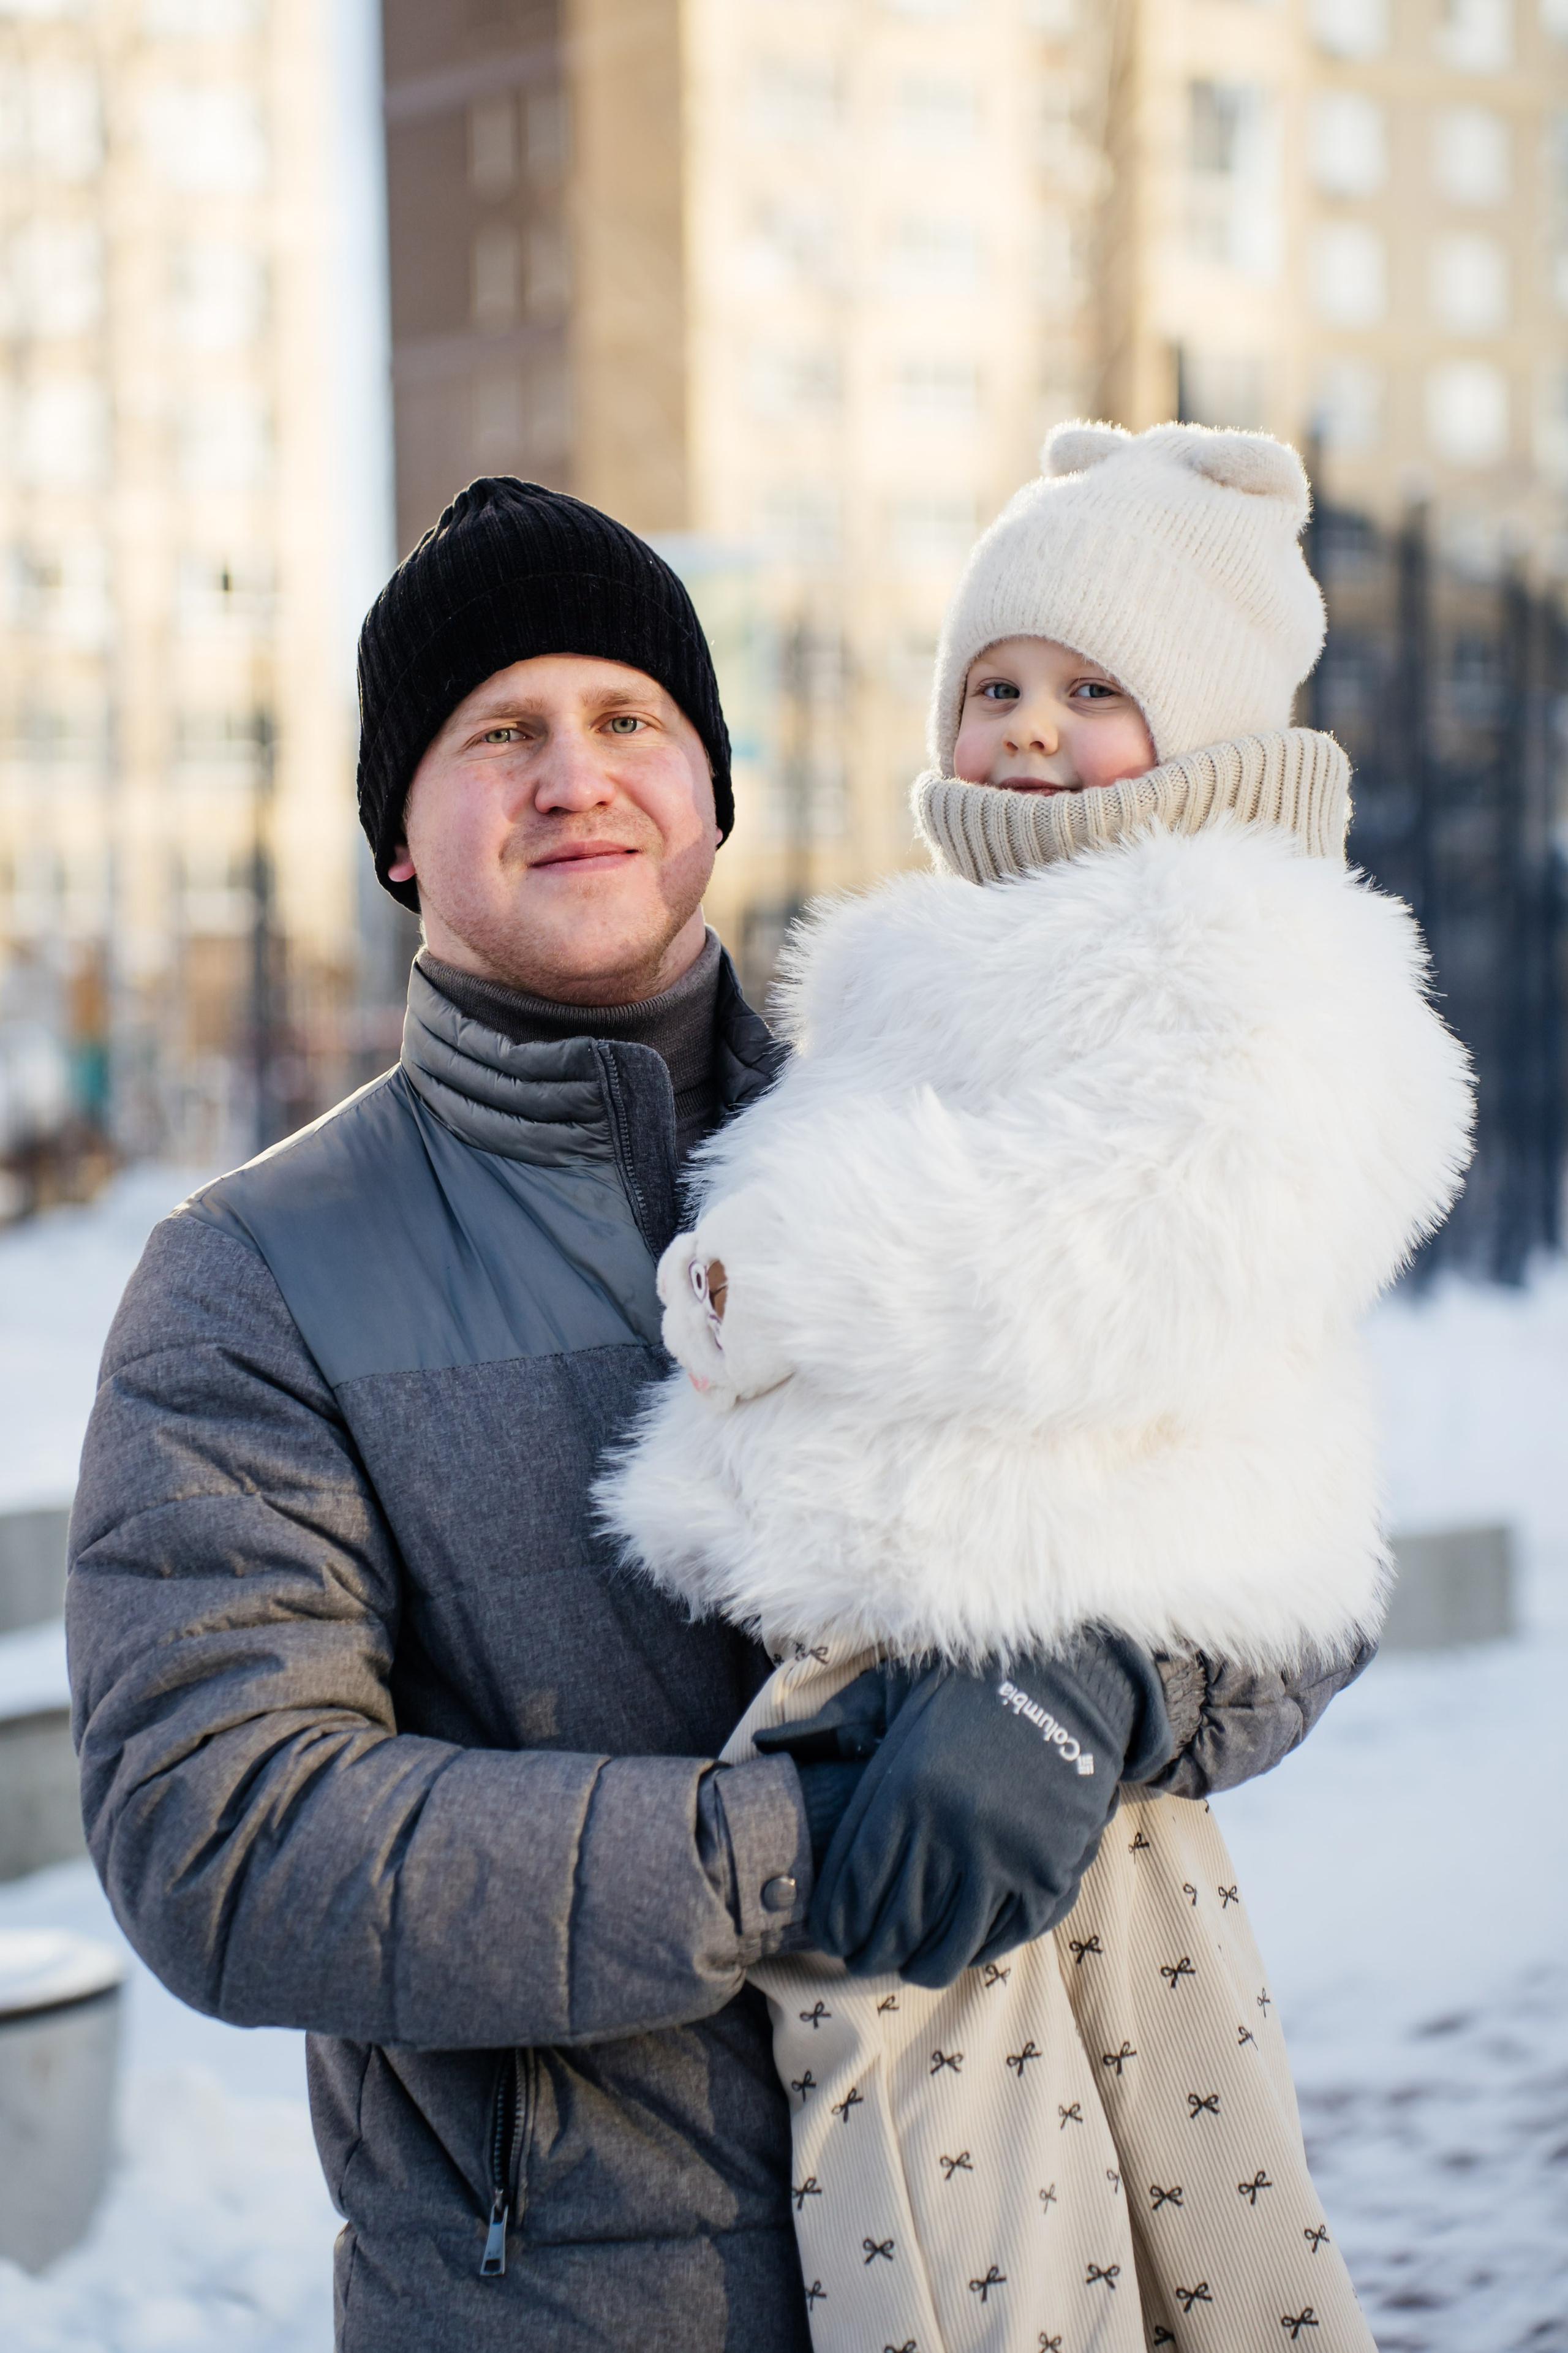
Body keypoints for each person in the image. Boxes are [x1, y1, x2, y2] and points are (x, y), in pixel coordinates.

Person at [69, 476, 1379, 2353]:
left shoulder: (958, 1119)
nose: (572, 775)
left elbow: (1306, 1546)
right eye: (497, 732)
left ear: (712, 786)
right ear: (397, 839)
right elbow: (222, 1831)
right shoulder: (255, 1277)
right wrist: (776, 1846)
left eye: (629, 721)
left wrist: (1100, 1683)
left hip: (1041, 2230)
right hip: (577, 2307)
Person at [600, 425, 1473, 2351]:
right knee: (1064, 2157)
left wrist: (791, 1283)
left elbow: (1109, 1244)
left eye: (1094, 691)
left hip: (1041, 1624)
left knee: (1041, 2176)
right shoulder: (917, 962)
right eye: (995, 684)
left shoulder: (1235, 953)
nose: (1026, 727)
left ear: (1213, 732)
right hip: (915, 1635)